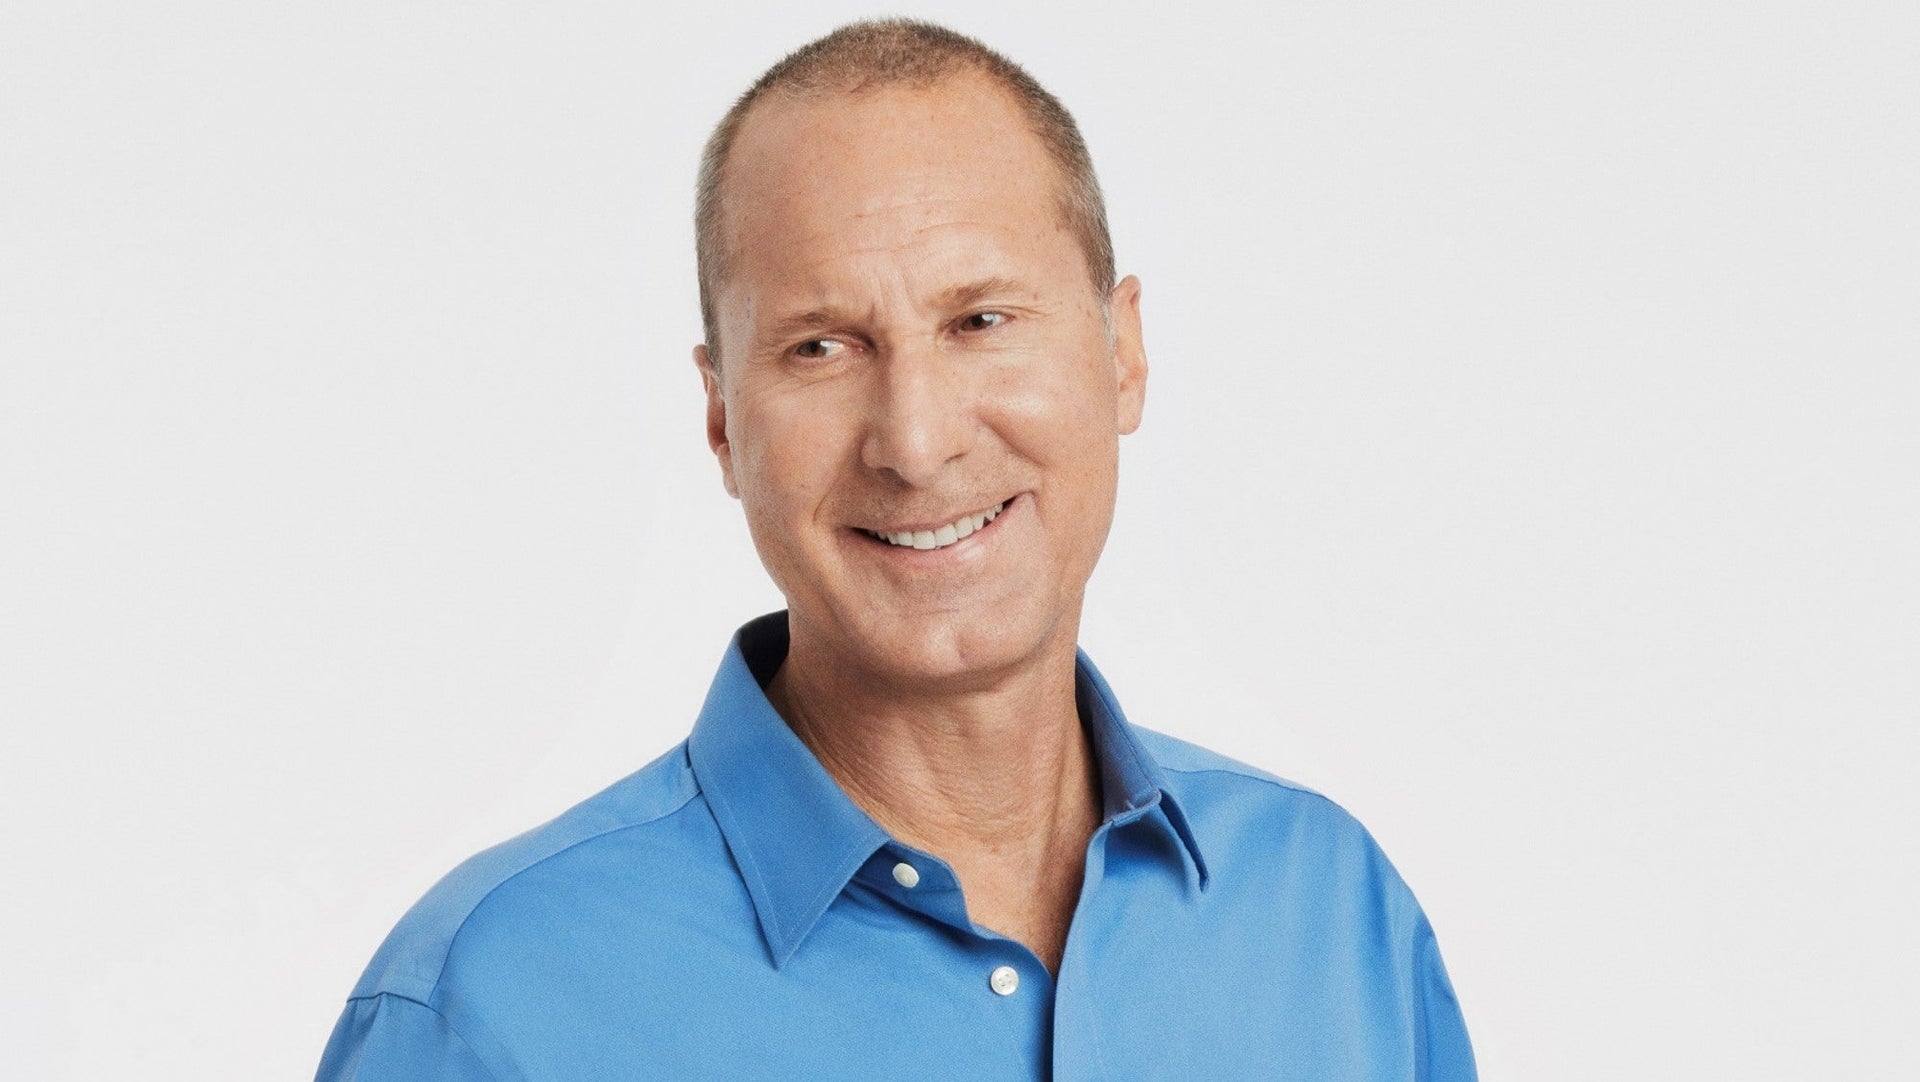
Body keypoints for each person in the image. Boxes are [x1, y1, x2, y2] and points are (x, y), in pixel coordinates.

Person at [316, 18, 1475, 1080]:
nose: (916, 443)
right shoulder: (491, 1006)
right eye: (822, 346)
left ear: (1121, 353)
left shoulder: (1329, 915)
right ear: (722, 417)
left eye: (980, 320)